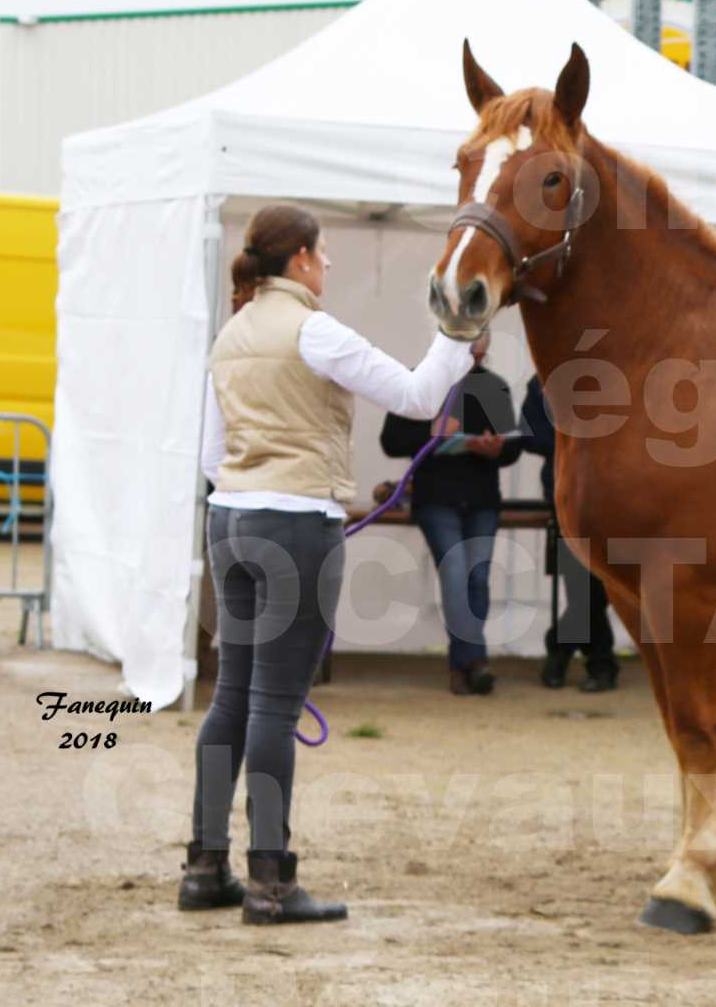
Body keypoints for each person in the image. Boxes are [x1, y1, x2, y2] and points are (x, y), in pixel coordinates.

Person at [183, 204, 473, 925]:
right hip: (295, 525)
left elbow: (210, 458)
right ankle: (272, 885)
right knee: (275, 709)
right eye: (325, 253)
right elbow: (415, 395)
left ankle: (204, 866)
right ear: (302, 260)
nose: (330, 265)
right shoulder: (314, 329)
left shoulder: (231, 333)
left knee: (231, 701)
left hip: (230, 521)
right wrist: (459, 336)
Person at [380, 332, 520, 696]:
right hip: (436, 498)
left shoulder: (494, 387)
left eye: (480, 357)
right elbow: (391, 441)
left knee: (476, 577)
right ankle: (474, 661)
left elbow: (512, 447)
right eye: (469, 355)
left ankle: (463, 665)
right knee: (456, 571)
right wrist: (432, 432)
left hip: (481, 498)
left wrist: (494, 449)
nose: (474, 363)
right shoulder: (418, 381)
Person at [516, 374, 620, 692]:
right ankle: (601, 663)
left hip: (616, 497)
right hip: (565, 494)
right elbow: (530, 436)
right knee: (581, 585)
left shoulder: (618, 377)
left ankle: (560, 647)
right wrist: (573, 438)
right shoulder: (542, 383)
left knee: (606, 584)